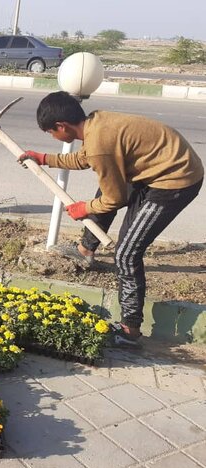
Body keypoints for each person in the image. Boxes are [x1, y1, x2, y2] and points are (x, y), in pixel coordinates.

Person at [23, 91, 203, 347]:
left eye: (51, 133)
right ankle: (86, 250)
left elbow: (114, 198)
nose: (53, 137)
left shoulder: (100, 144)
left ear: (61, 126)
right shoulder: (96, 122)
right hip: (152, 170)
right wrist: (44, 159)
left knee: (127, 254)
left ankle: (130, 330)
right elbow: (82, 158)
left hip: (175, 180)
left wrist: (83, 208)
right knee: (106, 199)